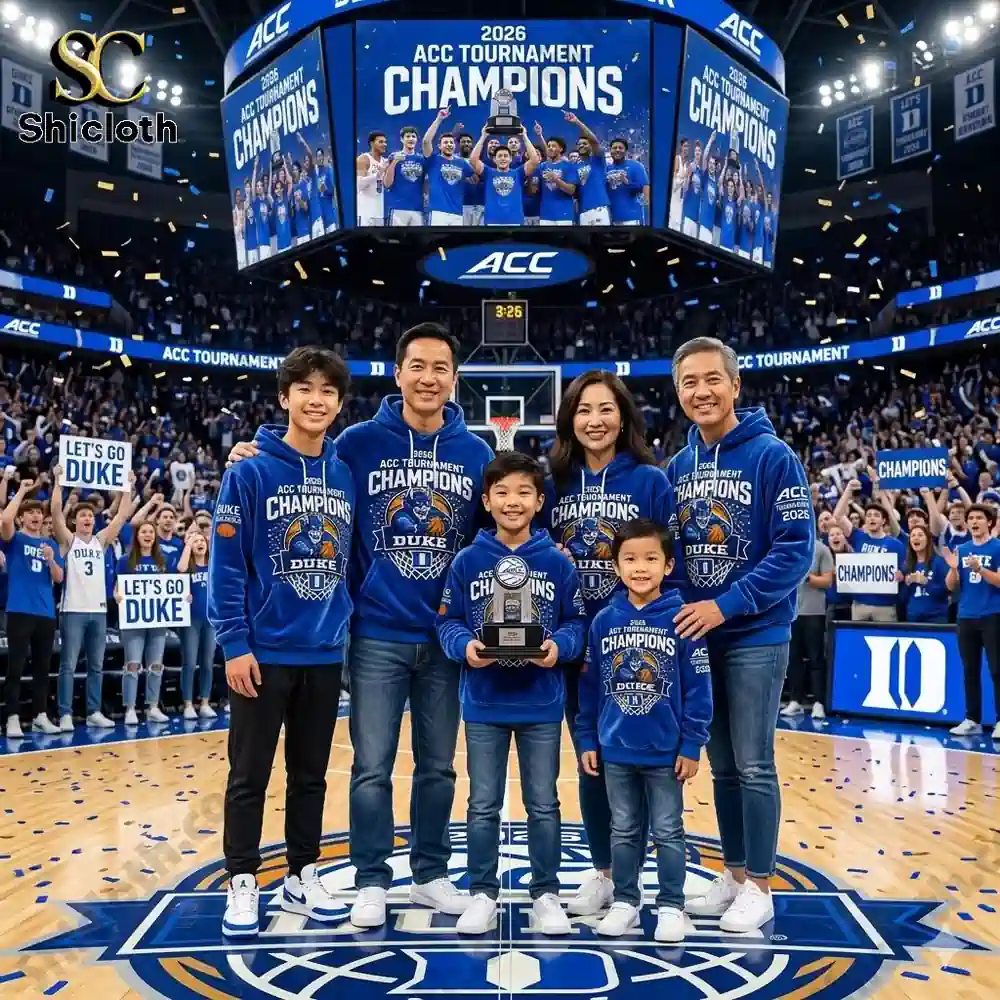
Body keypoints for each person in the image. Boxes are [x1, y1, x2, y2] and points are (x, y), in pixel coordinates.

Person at [228, 323, 493, 929]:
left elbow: (495, 535)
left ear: (454, 379)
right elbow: (301, 460)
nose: (429, 378)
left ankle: (428, 874)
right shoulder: (354, 444)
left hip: (445, 638)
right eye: (417, 366)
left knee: (438, 767)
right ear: (398, 374)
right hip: (374, 632)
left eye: (441, 368)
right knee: (371, 764)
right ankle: (372, 878)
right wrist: (253, 448)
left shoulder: (476, 454)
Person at [666, 336, 814, 932]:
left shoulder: (774, 457)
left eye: (711, 380)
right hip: (701, 635)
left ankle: (761, 884)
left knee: (754, 762)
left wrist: (727, 605)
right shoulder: (678, 468)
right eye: (688, 383)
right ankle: (732, 873)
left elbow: (795, 552)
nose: (701, 392)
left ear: (735, 386)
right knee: (721, 764)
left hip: (754, 632)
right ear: (678, 393)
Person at [210, 346, 356, 937]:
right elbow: (226, 566)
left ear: (339, 403)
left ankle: (302, 873)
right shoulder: (246, 471)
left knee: (311, 774)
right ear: (284, 397)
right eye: (305, 388)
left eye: (327, 391)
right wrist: (234, 642)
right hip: (262, 653)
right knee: (248, 774)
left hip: (323, 653)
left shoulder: (343, 473)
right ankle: (242, 877)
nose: (316, 400)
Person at [437, 452, 586, 935]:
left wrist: (556, 647)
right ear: (486, 500)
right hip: (483, 702)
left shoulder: (558, 564)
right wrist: (467, 647)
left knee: (543, 803)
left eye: (524, 492)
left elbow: (577, 624)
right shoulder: (466, 561)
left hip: (541, 703)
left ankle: (546, 892)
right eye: (501, 492)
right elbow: (448, 622)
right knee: (483, 804)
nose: (512, 501)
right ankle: (482, 890)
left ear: (540, 502)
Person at [543, 370, 672, 916]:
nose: (594, 421)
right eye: (583, 410)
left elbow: (674, 564)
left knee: (644, 764)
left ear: (624, 418)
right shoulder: (553, 481)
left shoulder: (650, 481)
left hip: (637, 648)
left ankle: (641, 879)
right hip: (573, 644)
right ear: (569, 420)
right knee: (592, 760)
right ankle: (606, 870)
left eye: (606, 409)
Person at [577, 519, 711, 942]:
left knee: (669, 830)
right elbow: (589, 688)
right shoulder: (603, 621)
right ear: (615, 566)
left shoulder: (684, 619)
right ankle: (625, 901)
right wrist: (586, 738)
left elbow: (699, 687)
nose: (640, 567)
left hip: (665, 752)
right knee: (623, 828)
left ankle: (671, 905)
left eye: (650, 558)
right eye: (630, 559)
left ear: (668, 565)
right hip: (615, 749)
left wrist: (692, 743)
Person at [51, 465, 135, 731]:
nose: (87, 518)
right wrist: (57, 482)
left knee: (96, 666)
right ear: (75, 521)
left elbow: (122, 515)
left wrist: (128, 486)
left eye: (90, 515)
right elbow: (54, 513)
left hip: (98, 612)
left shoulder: (101, 540)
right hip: (72, 611)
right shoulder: (68, 541)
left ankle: (93, 711)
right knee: (69, 665)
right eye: (82, 515)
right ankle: (65, 713)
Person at [1, 475, 64, 738]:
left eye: (39, 512)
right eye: (31, 513)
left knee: (42, 667)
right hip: (19, 610)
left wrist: (51, 561)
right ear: (22, 519)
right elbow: (4, 520)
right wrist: (22, 491)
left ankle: (40, 715)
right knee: (15, 667)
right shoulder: (14, 540)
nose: (36, 516)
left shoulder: (49, 544)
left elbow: (59, 578)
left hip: (46, 612)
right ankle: (12, 718)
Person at [944, 504, 1000, 739]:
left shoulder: (997, 547)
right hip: (966, 616)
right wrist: (954, 569)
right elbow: (951, 586)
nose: (975, 522)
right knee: (970, 671)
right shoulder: (963, 549)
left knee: (997, 670)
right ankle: (972, 719)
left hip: (992, 615)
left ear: (989, 522)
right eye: (971, 518)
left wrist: (981, 569)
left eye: (979, 517)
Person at [115, 522, 176, 726]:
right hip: (134, 620)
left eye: (151, 531)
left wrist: (183, 597)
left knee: (155, 665)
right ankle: (130, 708)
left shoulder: (164, 561)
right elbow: (117, 587)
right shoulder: (126, 560)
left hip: (158, 619)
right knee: (132, 664)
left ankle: (152, 707)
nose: (148, 535)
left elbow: (172, 587)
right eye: (144, 532)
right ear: (137, 536)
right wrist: (118, 595)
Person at [832, 479, 905, 622]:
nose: (872, 518)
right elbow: (838, 516)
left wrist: (900, 576)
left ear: (884, 521)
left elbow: (903, 571)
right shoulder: (858, 536)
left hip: (885, 605)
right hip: (860, 604)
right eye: (869, 515)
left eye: (876, 515)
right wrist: (848, 491)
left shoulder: (896, 544)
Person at [782, 533, 835, 720]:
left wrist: (807, 577)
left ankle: (819, 702)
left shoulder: (821, 549)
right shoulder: (788, 547)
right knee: (793, 658)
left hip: (814, 612)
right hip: (791, 611)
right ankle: (795, 700)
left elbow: (828, 581)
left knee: (815, 658)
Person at [178, 526, 217, 721]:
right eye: (196, 541)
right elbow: (180, 569)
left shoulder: (213, 565)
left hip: (210, 620)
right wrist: (188, 544)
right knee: (190, 663)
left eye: (202, 540)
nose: (199, 543)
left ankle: (204, 702)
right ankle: (187, 703)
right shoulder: (188, 567)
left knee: (207, 663)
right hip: (190, 620)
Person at [468, 123, 539, 226]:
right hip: (492, 221)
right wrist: (483, 137)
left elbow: (535, 160)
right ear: (494, 159)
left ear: (510, 159)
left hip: (515, 221)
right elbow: (473, 160)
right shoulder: (488, 172)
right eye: (499, 156)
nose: (503, 158)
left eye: (506, 156)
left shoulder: (518, 173)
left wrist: (524, 136)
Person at [422, 106, 476, 226]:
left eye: (451, 142)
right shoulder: (434, 159)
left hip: (457, 213)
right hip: (437, 212)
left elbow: (475, 180)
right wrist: (439, 119)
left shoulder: (462, 163)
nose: (449, 145)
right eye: (445, 142)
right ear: (439, 146)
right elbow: (426, 141)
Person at [901, 524, 950, 624]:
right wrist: (905, 583)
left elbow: (945, 591)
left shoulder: (939, 562)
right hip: (913, 617)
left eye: (920, 535)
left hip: (936, 617)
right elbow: (902, 598)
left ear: (928, 540)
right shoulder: (907, 565)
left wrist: (925, 582)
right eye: (913, 535)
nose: (916, 538)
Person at [533, 122, 578, 226]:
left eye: (554, 146)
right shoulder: (543, 166)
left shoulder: (569, 166)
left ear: (561, 149)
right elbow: (534, 188)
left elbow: (571, 190)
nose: (550, 148)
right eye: (549, 146)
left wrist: (556, 179)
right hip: (545, 214)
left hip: (564, 214)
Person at [383, 125, 426, 227]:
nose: (411, 139)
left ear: (417, 140)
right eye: (408, 136)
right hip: (398, 207)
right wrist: (395, 162)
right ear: (402, 139)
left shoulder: (422, 159)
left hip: (417, 208)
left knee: (418, 240)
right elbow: (387, 184)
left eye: (413, 136)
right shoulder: (393, 156)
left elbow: (425, 182)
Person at [357, 130, 388, 226]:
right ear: (372, 143)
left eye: (385, 142)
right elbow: (359, 185)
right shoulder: (363, 159)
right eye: (380, 142)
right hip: (365, 212)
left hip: (380, 211)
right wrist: (377, 175)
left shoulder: (385, 162)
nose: (384, 144)